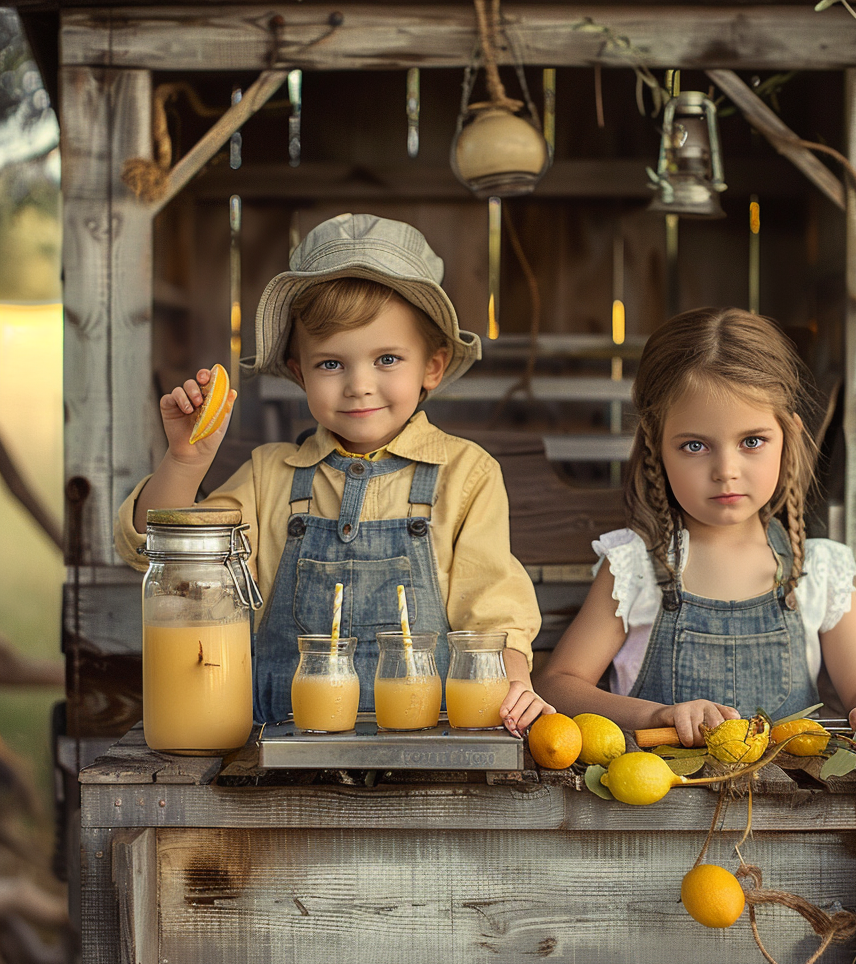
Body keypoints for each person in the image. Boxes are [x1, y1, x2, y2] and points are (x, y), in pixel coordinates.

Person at [115, 213, 551, 733]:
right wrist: (185, 462)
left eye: (387, 358)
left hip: (426, 753)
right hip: (277, 754)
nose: (358, 385)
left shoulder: (466, 474)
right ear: (299, 371)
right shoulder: (268, 477)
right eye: (330, 364)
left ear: (431, 366)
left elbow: (494, 616)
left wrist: (516, 682)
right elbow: (162, 553)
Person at [536, 307, 856, 746]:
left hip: (793, 808)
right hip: (660, 806)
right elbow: (558, 685)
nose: (726, 470)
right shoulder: (635, 569)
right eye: (695, 446)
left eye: (752, 441)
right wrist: (656, 715)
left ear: (788, 435)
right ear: (656, 447)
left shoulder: (817, 571)